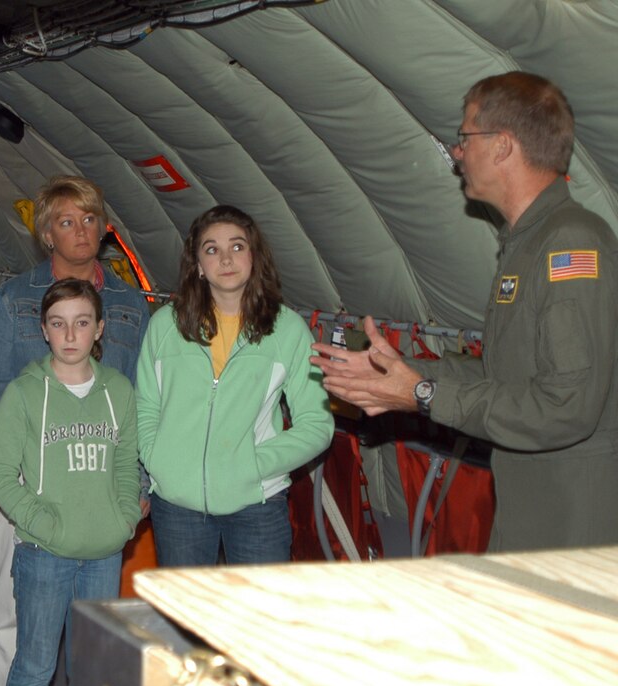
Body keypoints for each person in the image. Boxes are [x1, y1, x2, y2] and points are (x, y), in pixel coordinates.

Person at [311, 71, 618, 552]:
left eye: (464, 137)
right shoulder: (526, 243)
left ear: (502, 146)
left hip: (573, 529)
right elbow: (506, 375)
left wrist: (423, 393)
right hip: (533, 516)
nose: (457, 152)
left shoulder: (569, 244)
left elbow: (567, 407)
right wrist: (402, 372)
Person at [0, 175, 148, 686]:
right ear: (47, 233)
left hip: (94, 487)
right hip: (24, 485)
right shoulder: (17, 298)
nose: (81, 232)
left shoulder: (127, 303)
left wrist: (135, 490)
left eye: (90, 219)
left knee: (90, 641)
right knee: (9, 621)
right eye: (67, 222)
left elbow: (137, 398)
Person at [137, 205, 333, 566]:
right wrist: (159, 461)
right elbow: (147, 406)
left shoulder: (286, 330)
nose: (226, 258)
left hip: (256, 505)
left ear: (255, 257)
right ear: (197, 264)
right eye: (211, 249)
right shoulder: (165, 326)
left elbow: (317, 424)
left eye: (238, 247)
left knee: (254, 618)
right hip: (178, 507)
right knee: (186, 619)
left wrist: (255, 465)